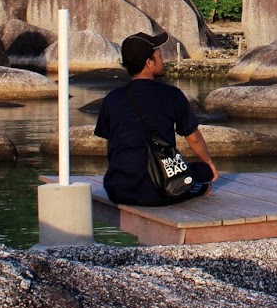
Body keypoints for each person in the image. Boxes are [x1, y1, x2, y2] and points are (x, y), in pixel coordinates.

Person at [94, 30, 219, 205]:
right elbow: (194, 138)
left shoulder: (112, 98)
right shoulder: (172, 95)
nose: (163, 60)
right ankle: (203, 188)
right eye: (159, 56)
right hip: (160, 190)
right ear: (149, 62)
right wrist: (209, 163)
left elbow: (110, 142)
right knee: (202, 172)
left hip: (117, 190)